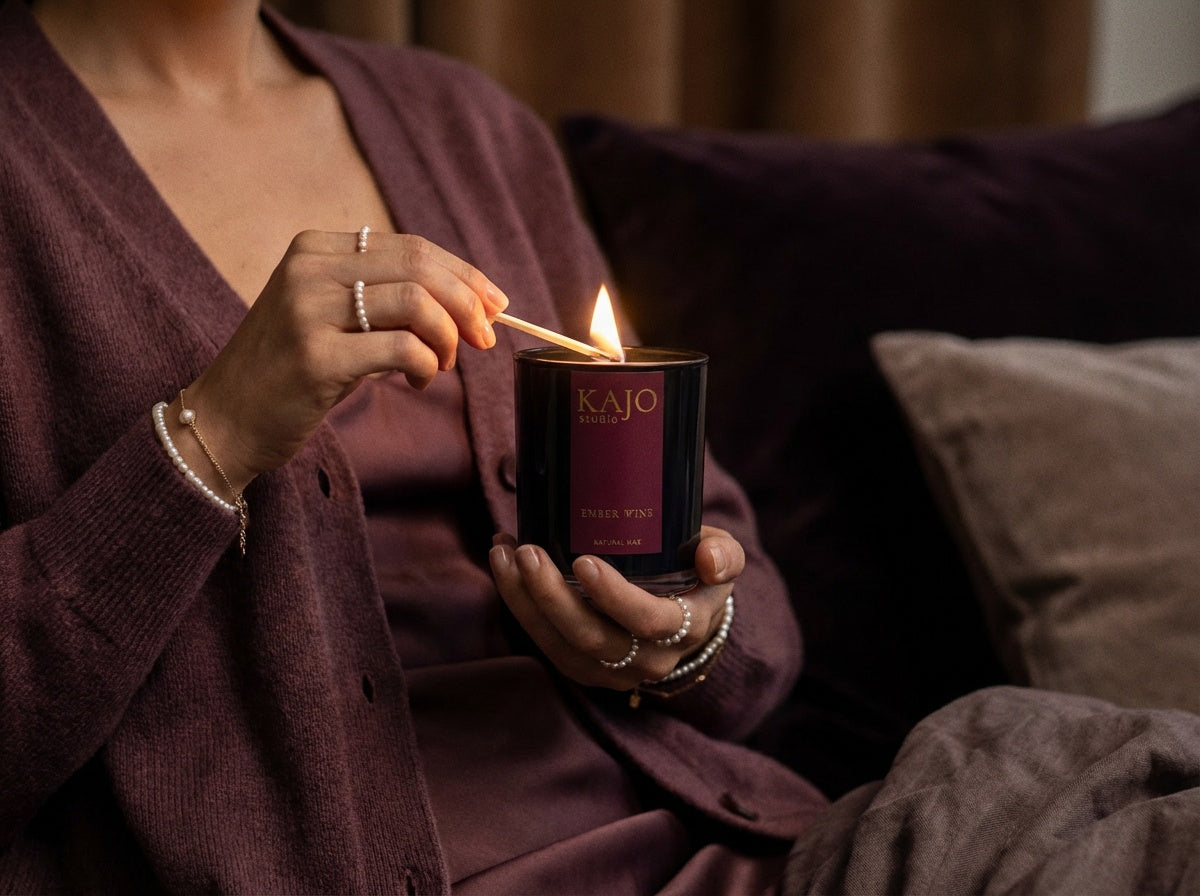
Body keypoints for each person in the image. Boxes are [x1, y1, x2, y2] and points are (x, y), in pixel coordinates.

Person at [0, 0, 827, 892]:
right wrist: (213, 439)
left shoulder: (465, 123)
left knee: (997, 767)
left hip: (711, 855)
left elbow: (757, 645)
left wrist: (684, 641)